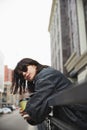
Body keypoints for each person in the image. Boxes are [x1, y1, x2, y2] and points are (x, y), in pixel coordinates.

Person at [11, 58, 87, 130]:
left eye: (25, 69)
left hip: (77, 118)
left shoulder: (45, 77)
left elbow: (36, 109)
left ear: (33, 64)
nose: (24, 74)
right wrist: (29, 112)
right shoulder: (43, 76)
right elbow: (39, 108)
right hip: (73, 118)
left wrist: (28, 111)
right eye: (21, 75)